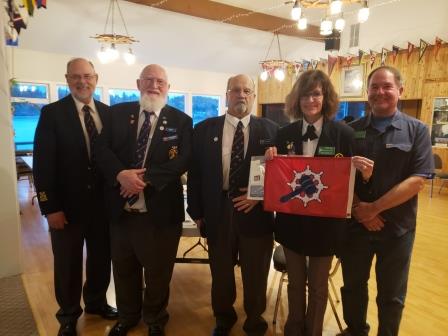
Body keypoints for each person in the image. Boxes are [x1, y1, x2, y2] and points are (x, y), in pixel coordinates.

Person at [265, 69, 371, 336]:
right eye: (305, 95)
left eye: (316, 94)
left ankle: (313, 332)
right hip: (291, 223)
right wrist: (269, 157)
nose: (310, 100)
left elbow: (351, 184)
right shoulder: (284, 133)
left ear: (326, 97)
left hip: (326, 226)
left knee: (319, 287)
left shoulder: (344, 135)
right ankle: (293, 329)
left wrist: (362, 172)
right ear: (296, 99)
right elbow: (275, 177)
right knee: (295, 284)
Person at [94, 64, 192, 336]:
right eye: (149, 80)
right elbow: (100, 150)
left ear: (168, 88)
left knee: (158, 274)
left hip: (159, 214)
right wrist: (120, 174)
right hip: (121, 213)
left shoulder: (181, 121)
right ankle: (127, 317)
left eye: (160, 81)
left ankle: (155, 319)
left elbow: (183, 159)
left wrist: (142, 180)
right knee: (124, 270)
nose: (154, 85)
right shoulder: (117, 114)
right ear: (138, 83)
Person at [338, 66, 434, 336]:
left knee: (391, 294)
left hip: (397, 229)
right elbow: (340, 174)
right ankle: (355, 330)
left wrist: (374, 209)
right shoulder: (350, 130)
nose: (380, 92)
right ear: (367, 92)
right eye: (374, 87)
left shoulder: (417, 131)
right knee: (353, 286)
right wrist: (360, 210)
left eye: (387, 86)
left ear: (400, 91)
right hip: (356, 227)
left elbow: (417, 180)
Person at [187, 74, 278, 336]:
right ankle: (223, 318)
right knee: (222, 272)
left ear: (253, 96)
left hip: (257, 212)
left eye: (247, 90)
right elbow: (195, 174)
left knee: (256, 272)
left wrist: (258, 196)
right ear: (226, 94)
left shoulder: (272, 131)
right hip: (218, 211)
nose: (241, 95)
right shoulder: (204, 130)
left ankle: (254, 319)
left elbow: (280, 175)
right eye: (235, 90)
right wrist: (197, 212)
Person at [33, 58, 117, 336]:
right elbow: (43, 164)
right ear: (67, 80)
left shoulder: (108, 113)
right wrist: (50, 207)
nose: (82, 82)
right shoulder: (52, 114)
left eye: (87, 76)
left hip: (102, 208)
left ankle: (96, 302)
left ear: (96, 78)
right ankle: (68, 314)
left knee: (100, 259)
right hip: (66, 209)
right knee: (67, 263)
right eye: (76, 77)